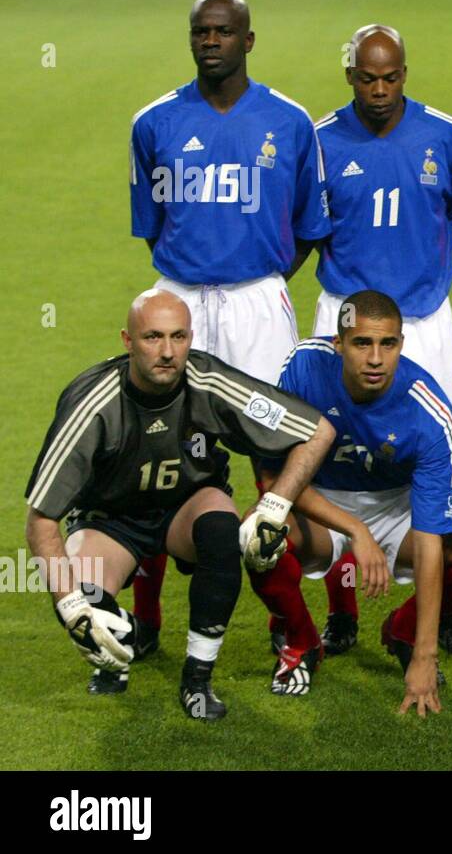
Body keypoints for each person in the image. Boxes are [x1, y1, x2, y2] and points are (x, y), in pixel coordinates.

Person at [23, 290, 334, 720]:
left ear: (191, 338)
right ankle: (122, 642)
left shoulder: (208, 380)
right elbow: (41, 521)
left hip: (188, 507)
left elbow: (317, 432)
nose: (168, 352)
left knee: (222, 534)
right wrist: (71, 607)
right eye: (152, 337)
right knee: (85, 604)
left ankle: (198, 679)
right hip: (111, 521)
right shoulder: (92, 404)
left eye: (179, 337)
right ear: (126, 341)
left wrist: (275, 506)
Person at [128, 0, 330, 638]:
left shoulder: (290, 122)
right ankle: (148, 615)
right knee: (154, 453)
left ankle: (299, 622)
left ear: (248, 39)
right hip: (179, 296)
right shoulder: (153, 123)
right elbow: (153, 224)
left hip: (256, 301)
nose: (209, 41)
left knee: (275, 458)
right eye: (199, 32)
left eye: (222, 32)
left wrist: (262, 278)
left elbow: (308, 226)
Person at [249, 291, 452, 710]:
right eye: (361, 343)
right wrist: (355, 529)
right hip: (319, 502)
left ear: (401, 344)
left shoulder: (428, 409)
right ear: (338, 344)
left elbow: (428, 536)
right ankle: (299, 641)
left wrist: (425, 653)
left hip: (396, 508)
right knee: (258, 537)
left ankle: (403, 631)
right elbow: (273, 478)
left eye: (387, 344)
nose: (375, 358)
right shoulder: (303, 367)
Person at [310, 24, 452, 654]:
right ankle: (342, 606)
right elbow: (312, 223)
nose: (380, 89)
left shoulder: (446, 135)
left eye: (392, 76)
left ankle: (445, 610)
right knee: (333, 455)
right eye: (367, 77)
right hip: (343, 316)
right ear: (349, 75)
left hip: (425, 316)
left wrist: (414, 265)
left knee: (445, 449)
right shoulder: (320, 140)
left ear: (405, 72)